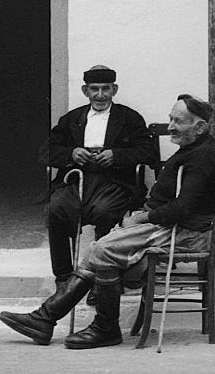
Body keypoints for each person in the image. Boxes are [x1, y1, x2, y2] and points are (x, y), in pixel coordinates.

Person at [0, 94, 215, 349]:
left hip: (185, 231)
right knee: (103, 249)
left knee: (103, 249)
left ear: (200, 127)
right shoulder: (193, 149)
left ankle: (99, 327)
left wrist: (143, 217)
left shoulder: (202, 157)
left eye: (179, 122)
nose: (171, 127)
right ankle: (45, 321)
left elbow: (182, 208)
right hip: (166, 225)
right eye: (171, 119)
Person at [39, 66, 158, 294]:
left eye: (106, 89)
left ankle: (102, 282)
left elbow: (147, 151)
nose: (100, 95)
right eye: (95, 89)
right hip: (77, 180)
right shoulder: (72, 119)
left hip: (115, 181)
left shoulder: (129, 118)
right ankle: (64, 279)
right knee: (56, 210)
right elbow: (46, 151)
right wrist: (71, 153)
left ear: (114, 89)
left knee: (105, 212)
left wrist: (117, 156)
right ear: (86, 91)